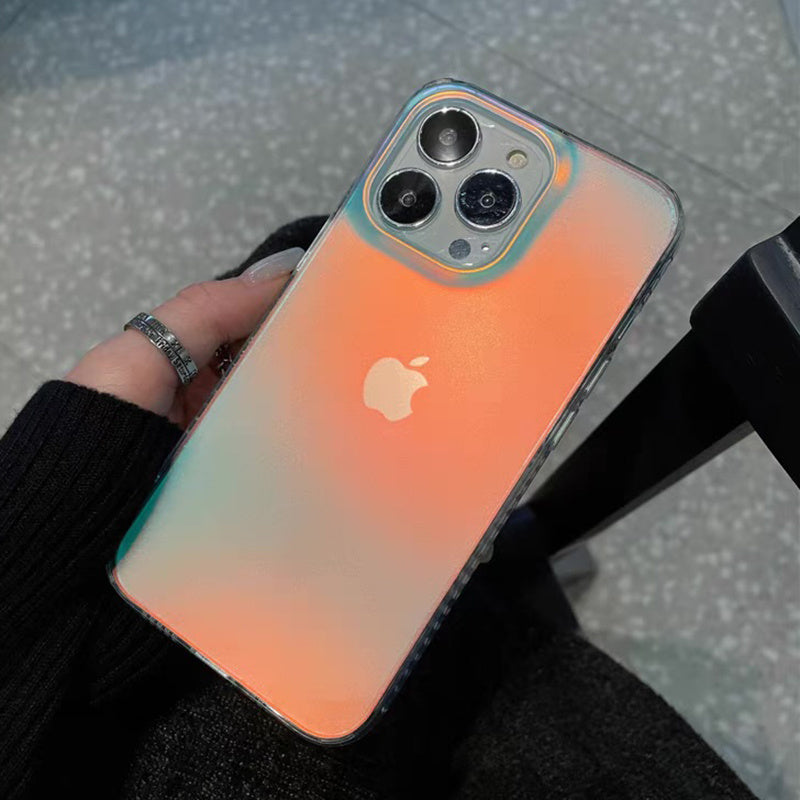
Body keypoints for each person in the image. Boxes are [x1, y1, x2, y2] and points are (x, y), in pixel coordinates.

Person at [0, 217, 754, 799]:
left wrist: (44, 518)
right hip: (152, 740)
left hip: (71, 681)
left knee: (323, 280)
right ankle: (461, 596)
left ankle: (447, 583)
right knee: (332, 284)